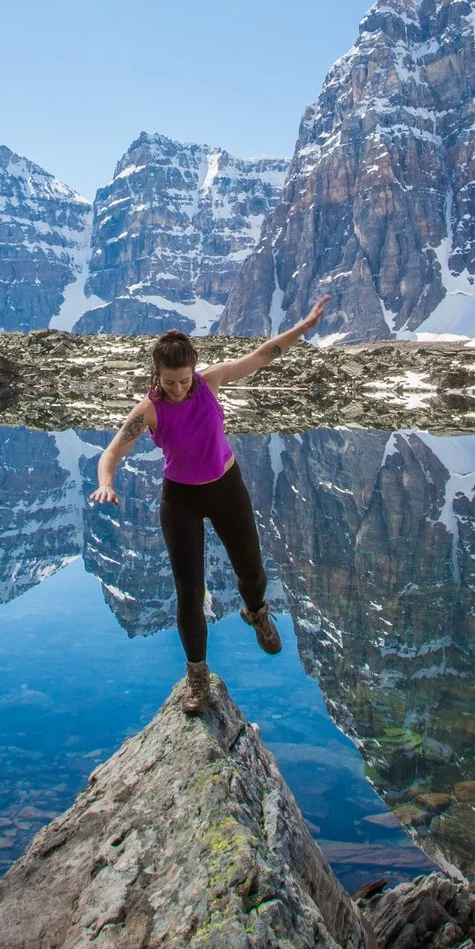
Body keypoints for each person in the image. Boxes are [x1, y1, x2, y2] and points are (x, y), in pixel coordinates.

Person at [89, 294, 334, 714]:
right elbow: (111, 453)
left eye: (184, 379)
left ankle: (256, 612)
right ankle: (197, 678)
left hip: (226, 489)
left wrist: (304, 327)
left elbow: (262, 356)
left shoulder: (210, 383)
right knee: (189, 591)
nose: (179, 388)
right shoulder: (148, 410)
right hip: (179, 500)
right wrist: (106, 483)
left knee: (252, 572)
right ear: (157, 375)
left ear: (193, 370)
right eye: (170, 382)